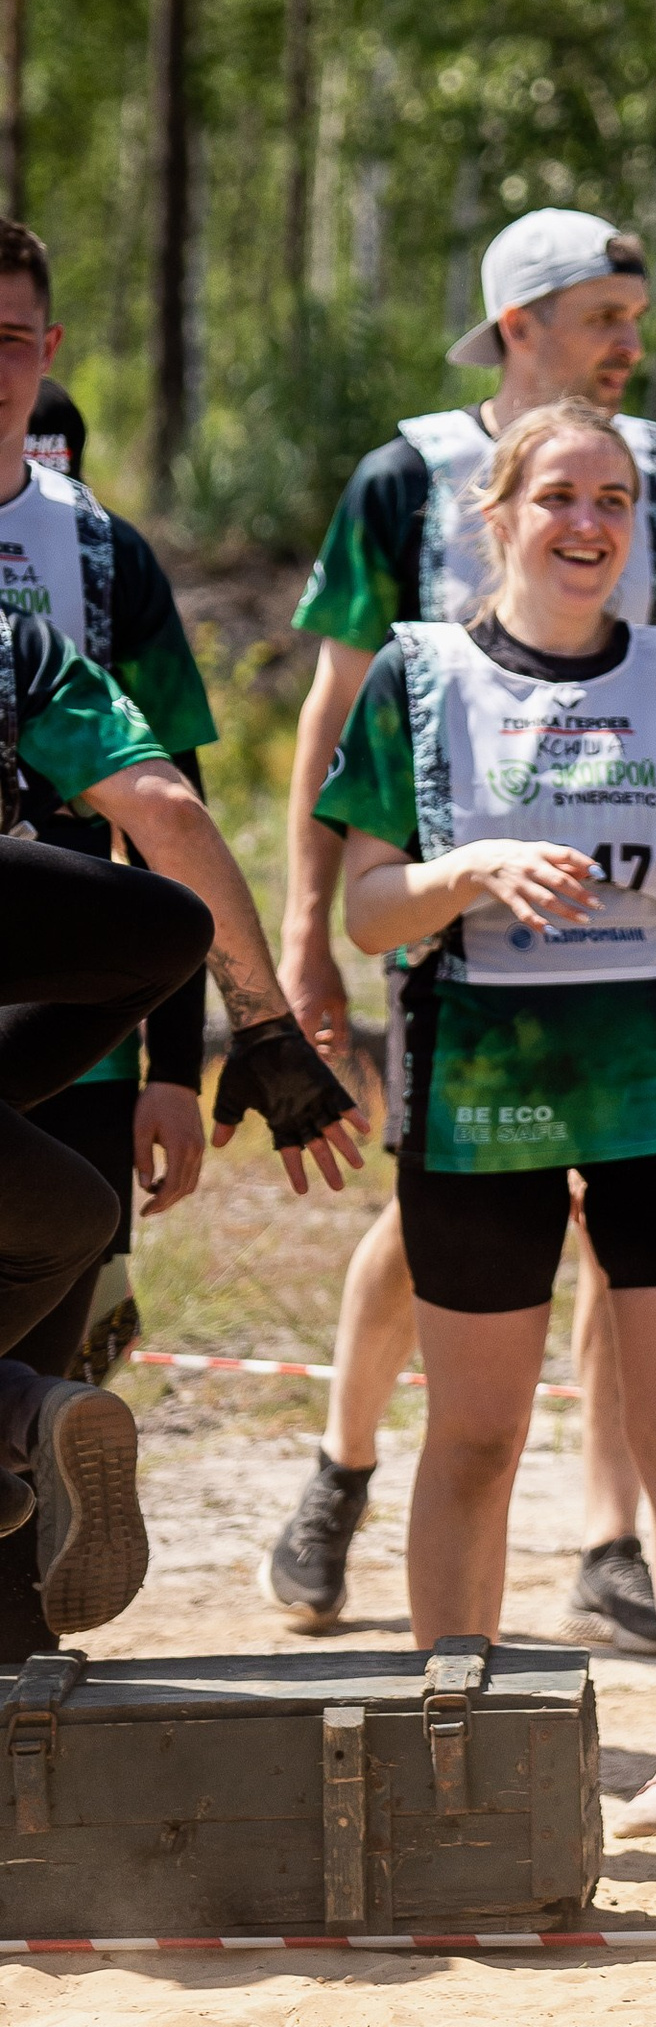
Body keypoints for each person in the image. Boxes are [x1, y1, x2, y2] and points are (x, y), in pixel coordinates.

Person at [318, 399, 656, 1839]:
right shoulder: (420, 672)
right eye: (559, 497)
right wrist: (471, 869)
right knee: (476, 1438)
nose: (588, 526)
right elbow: (366, 904)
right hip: (483, 1092)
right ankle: (447, 1749)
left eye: (614, 505)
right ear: (498, 514)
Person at [267, 208, 656, 1651]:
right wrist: (304, 934)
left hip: (631, 945)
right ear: (518, 323)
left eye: (636, 320)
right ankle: (342, 1466)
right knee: (428, 1224)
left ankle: (606, 1538)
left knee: (612, 1218)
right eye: (603, 319)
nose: (629, 347)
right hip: (458, 931)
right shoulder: (406, 474)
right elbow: (333, 714)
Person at [0, 623, 362, 1644]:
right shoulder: (21, 638)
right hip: (63, 1080)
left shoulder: (90, 569)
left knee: (64, 1211)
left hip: (61, 1084)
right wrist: (262, 1026)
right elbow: (165, 820)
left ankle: (21, 1418)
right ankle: (20, 1416)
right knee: (69, 1213)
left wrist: (170, 1073)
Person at [0, 221, 220, 1452]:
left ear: (50, 350)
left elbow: (171, 809)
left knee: (55, 1331)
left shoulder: (98, 552)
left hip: (77, 1024)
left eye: (14, 337)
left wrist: (179, 1067)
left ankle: (29, 1637)